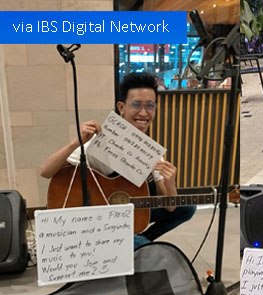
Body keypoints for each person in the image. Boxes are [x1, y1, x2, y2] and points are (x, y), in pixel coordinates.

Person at [40, 72, 196, 249]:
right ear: (121, 107)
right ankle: (133, 244)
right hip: (91, 219)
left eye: (150, 106)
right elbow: (45, 171)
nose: (144, 113)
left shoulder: (151, 152)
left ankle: (135, 240)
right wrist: (76, 142)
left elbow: (170, 208)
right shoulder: (103, 139)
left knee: (187, 208)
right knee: (143, 248)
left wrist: (171, 183)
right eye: (136, 105)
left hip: (122, 214)